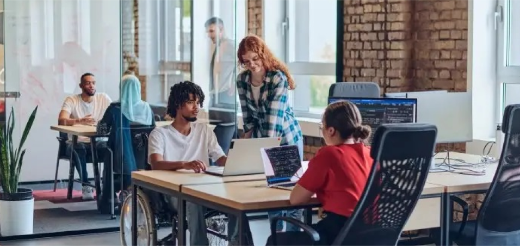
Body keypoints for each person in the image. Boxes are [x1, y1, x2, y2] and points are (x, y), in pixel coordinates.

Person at [266, 101, 374, 246]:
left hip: (338, 234)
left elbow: (296, 199)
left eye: (322, 126)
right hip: (370, 235)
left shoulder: (329, 154)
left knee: (274, 241)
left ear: (331, 130)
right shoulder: (371, 153)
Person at [235, 34, 304, 233]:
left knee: (290, 198)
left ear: (262, 55)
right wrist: (244, 147)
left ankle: (292, 241)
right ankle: (276, 239)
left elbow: (275, 119)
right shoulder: (242, 80)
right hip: (263, 139)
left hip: (286, 138)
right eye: (246, 61)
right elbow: (247, 117)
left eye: (255, 59)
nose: (252, 64)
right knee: (271, 196)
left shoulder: (277, 78)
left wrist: (266, 151)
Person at [148, 81, 227, 246]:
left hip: (205, 188)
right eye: (191, 102)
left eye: (198, 103)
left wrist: (239, 161)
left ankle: (238, 242)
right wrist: (184, 164)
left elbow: (220, 158)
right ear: (178, 105)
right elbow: (156, 164)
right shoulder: (160, 134)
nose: (196, 107)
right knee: (193, 200)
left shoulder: (204, 130)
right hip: (174, 192)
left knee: (235, 199)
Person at [97, 75, 155, 213]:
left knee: (106, 151)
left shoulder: (115, 108)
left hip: (120, 157)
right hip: (143, 158)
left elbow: (101, 130)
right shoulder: (147, 108)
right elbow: (153, 130)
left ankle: (110, 199)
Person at [58, 72, 112, 200]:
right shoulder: (72, 100)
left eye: (93, 83)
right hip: (77, 142)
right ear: (81, 86)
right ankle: (86, 185)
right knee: (78, 147)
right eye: (88, 83)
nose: (91, 86)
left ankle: (109, 186)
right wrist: (79, 121)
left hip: (98, 141)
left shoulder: (103, 98)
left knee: (112, 148)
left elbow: (115, 114)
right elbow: (61, 120)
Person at [205, 17, 237, 111]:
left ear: (221, 29)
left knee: (225, 125)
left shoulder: (230, 45)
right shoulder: (215, 46)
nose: (209, 35)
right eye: (207, 32)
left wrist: (235, 83)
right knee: (213, 125)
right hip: (214, 95)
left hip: (225, 95)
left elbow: (244, 64)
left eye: (211, 31)